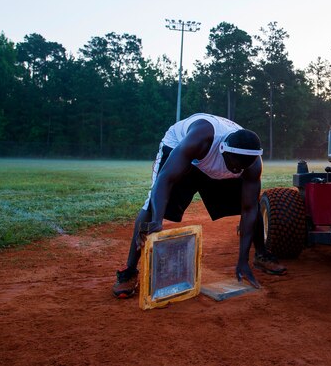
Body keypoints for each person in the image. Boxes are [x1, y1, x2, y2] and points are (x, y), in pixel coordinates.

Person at [112, 113, 286, 298]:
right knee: (152, 207)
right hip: (183, 152)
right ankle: (129, 271)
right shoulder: (201, 138)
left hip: (213, 159)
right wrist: (157, 220)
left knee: (253, 205)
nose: (236, 170)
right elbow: (165, 179)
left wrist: (242, 259)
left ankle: (260, 254)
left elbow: (249, 209)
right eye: (234, 165)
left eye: (242, 168)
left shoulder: (249, 163)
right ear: (223, 150)